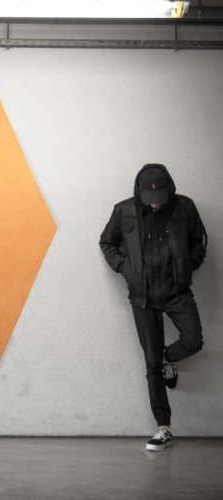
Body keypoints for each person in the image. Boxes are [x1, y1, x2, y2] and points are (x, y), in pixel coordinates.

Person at [99, 163, 207, 452]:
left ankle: (168, 358)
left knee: (193, 341)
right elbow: (107, 242)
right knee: (151, 365)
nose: (155, 203)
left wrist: (188, 266)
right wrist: (125, 269)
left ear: (170, 189)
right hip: (143, 297)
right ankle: (163, 427)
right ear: (140, 193)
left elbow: (199, 242)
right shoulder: (124, 211)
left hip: (177, 292)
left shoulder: (185, 207)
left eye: (160, 197)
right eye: (150, 198)